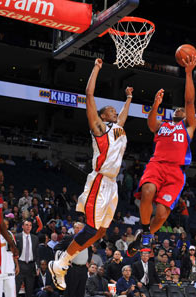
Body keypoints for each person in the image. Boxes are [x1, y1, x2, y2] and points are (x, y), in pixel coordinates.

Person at [49, 58, 132, 291]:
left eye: (116, 110)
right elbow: (89, 93)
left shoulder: (119, 128)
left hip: (113, 184)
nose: (115, 112)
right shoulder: (99, 128)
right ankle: (62, 261)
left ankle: (63, 260)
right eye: (111, 110)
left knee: (102, 231)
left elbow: (124, 115)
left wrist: (128, 98)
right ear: (103, 116)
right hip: (99, 180)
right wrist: (96, 68)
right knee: (91, 229)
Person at [128, 55, 196, 255]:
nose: (179, 109)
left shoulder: (189, 127)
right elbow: (151, 124)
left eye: (182, 109)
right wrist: (155, 106)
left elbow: (190, 100)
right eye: (176, 108)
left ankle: (145, 236)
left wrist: (188, 73)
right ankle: (144, 231)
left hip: (175, 173)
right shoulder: (163, 125)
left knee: (160, 214)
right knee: (148, 191)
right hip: (157, 164)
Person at [16, 219, 39, 297]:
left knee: (29, 292)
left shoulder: (35, 238)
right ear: (22, 226)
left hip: (31, 266)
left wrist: (38, 267)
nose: (28, 227)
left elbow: (37, 254)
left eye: (30, 225)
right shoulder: (17, 236)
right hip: (19, 265)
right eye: (26, 225)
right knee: (15, 290)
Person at [0, 220, 19, 297]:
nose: (6, 226)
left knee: (11, 294)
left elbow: (15, 252)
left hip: (9, 269)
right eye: (4, 224)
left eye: (7, 224)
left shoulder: (10, 234)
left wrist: (17, 265)